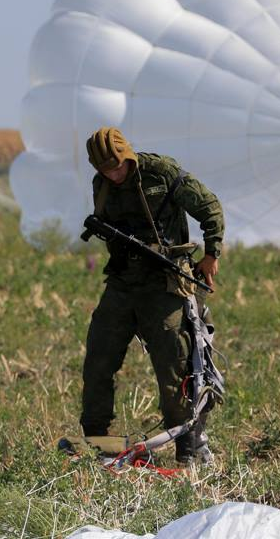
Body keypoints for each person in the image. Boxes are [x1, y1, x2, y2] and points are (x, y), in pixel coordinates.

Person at [81, 127, 225, 466]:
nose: (112, 174)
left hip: (164, 283)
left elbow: (209, 207)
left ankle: (189, 443)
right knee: (98, 359)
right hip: (122, 283)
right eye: (104, 169)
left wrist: (211, 253)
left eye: (117, 166)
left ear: (127, 156)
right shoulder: (100, 186)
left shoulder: (161, 172)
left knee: (174, 364)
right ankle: (96, 439)